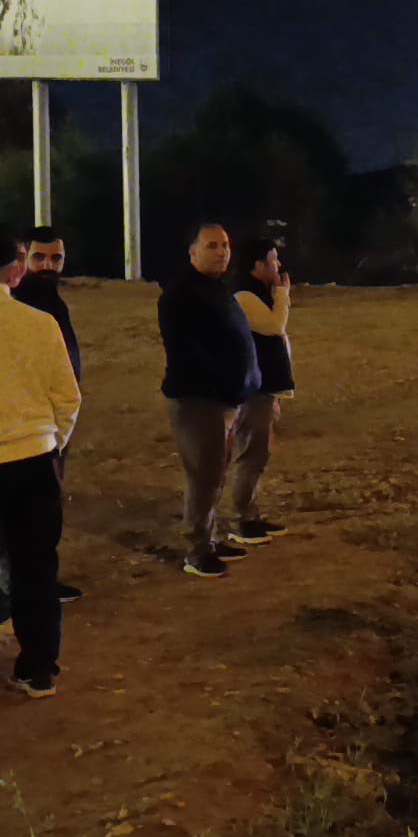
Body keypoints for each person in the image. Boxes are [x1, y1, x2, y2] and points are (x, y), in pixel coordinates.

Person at [0, 226, 79, 697]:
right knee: (35, 567)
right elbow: (68, 398)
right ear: (16, 269)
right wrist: (53, 442)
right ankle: (38, 667)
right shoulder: (41, 325)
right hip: (32, 460)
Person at [158, 223, 261, 578]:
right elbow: (188, 354)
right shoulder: (180, 295)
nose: (222, 252)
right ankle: (197, 552)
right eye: (212, 246)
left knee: (216, 473)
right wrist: (225, 388)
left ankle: (211, 538)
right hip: (199, 400)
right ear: (192, 253)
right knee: (203, 476)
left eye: (226, 245)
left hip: (225, 400)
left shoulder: (215, 289)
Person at [5, 226, 85, 603]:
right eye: (39, 257)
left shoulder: (53, 300)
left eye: (56, 258)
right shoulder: (20, 304)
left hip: (51, 427)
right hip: (30, 430)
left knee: (43, 515)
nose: (48, 265)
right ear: (23, 259)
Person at [227, 238, 294, 546]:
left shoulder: (256, 293)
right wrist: (283, 294)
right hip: (255, 388)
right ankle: (241, 520)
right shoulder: (244, 295)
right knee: (252, 453)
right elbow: (274, 325)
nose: (277, 266)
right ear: (256, 265)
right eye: (272, 261)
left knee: (258, 452)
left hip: (266, 387)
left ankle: (249, 514)